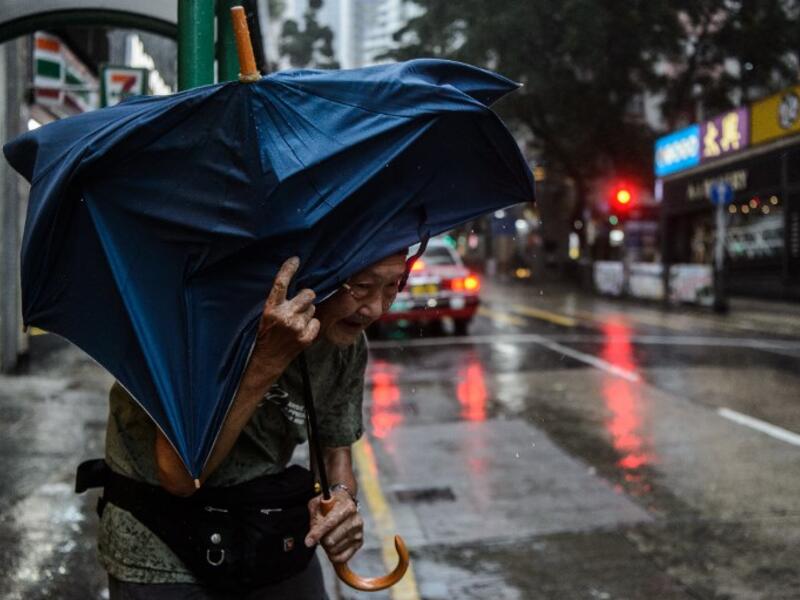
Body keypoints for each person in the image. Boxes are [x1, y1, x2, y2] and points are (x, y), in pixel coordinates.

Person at [99, 251, 409, 599]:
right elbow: (181, 477)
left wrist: (341, 498)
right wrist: (268, 359)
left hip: (259, 524)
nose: (377, 309)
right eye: (363, 287)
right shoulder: (206, 319)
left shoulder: (344, 348)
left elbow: (336, 449)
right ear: (319, 273)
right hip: (156, 540)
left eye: (394, 286)